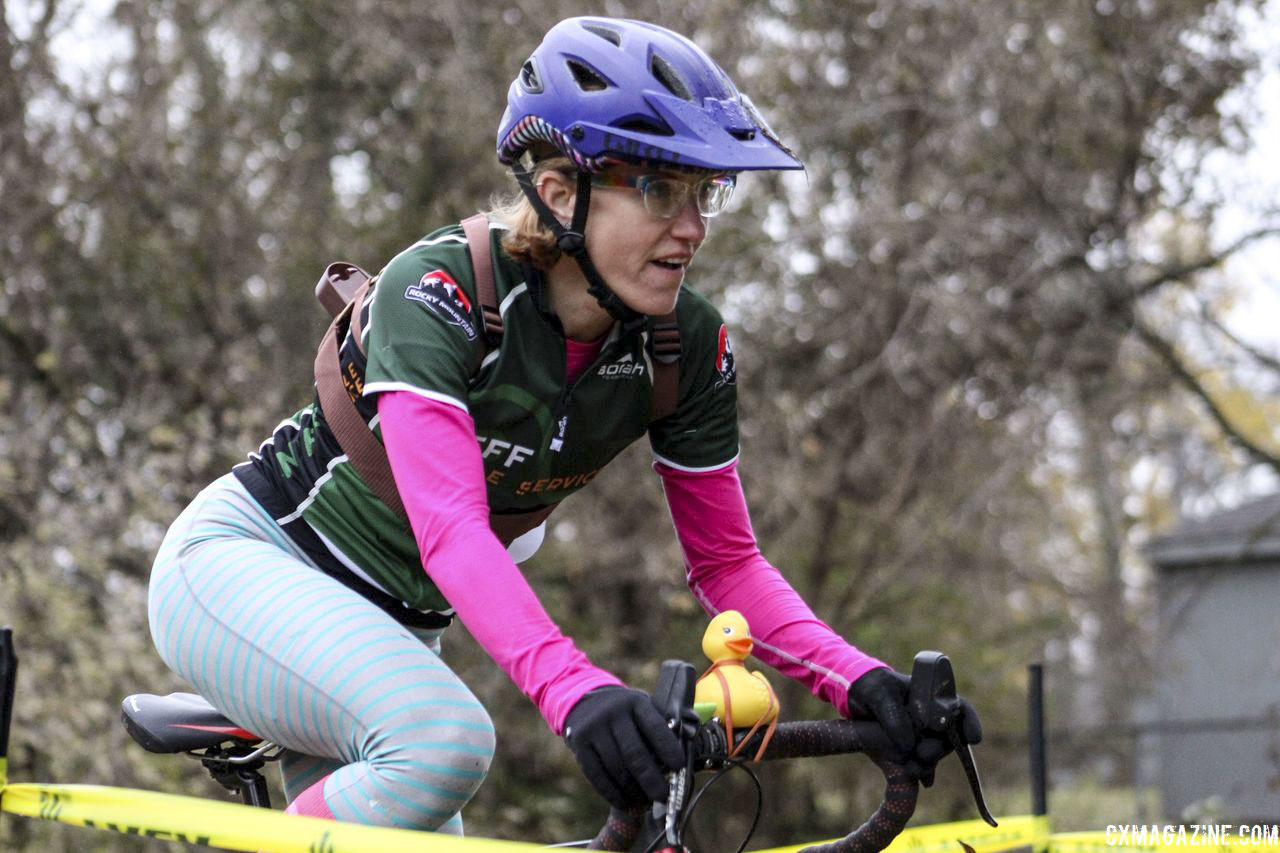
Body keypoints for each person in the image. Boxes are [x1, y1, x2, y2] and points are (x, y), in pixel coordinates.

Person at [146, 15, 981, 834]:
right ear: (557, 192)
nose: (690, 227)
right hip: (242, 567)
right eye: (659, 189)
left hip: (392, 628)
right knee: (445, 743)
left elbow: (728, 562)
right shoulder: (440, 291)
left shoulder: (684, 345)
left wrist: (861, 681)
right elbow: (453, 529)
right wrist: (576, 687)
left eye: (704, 193)